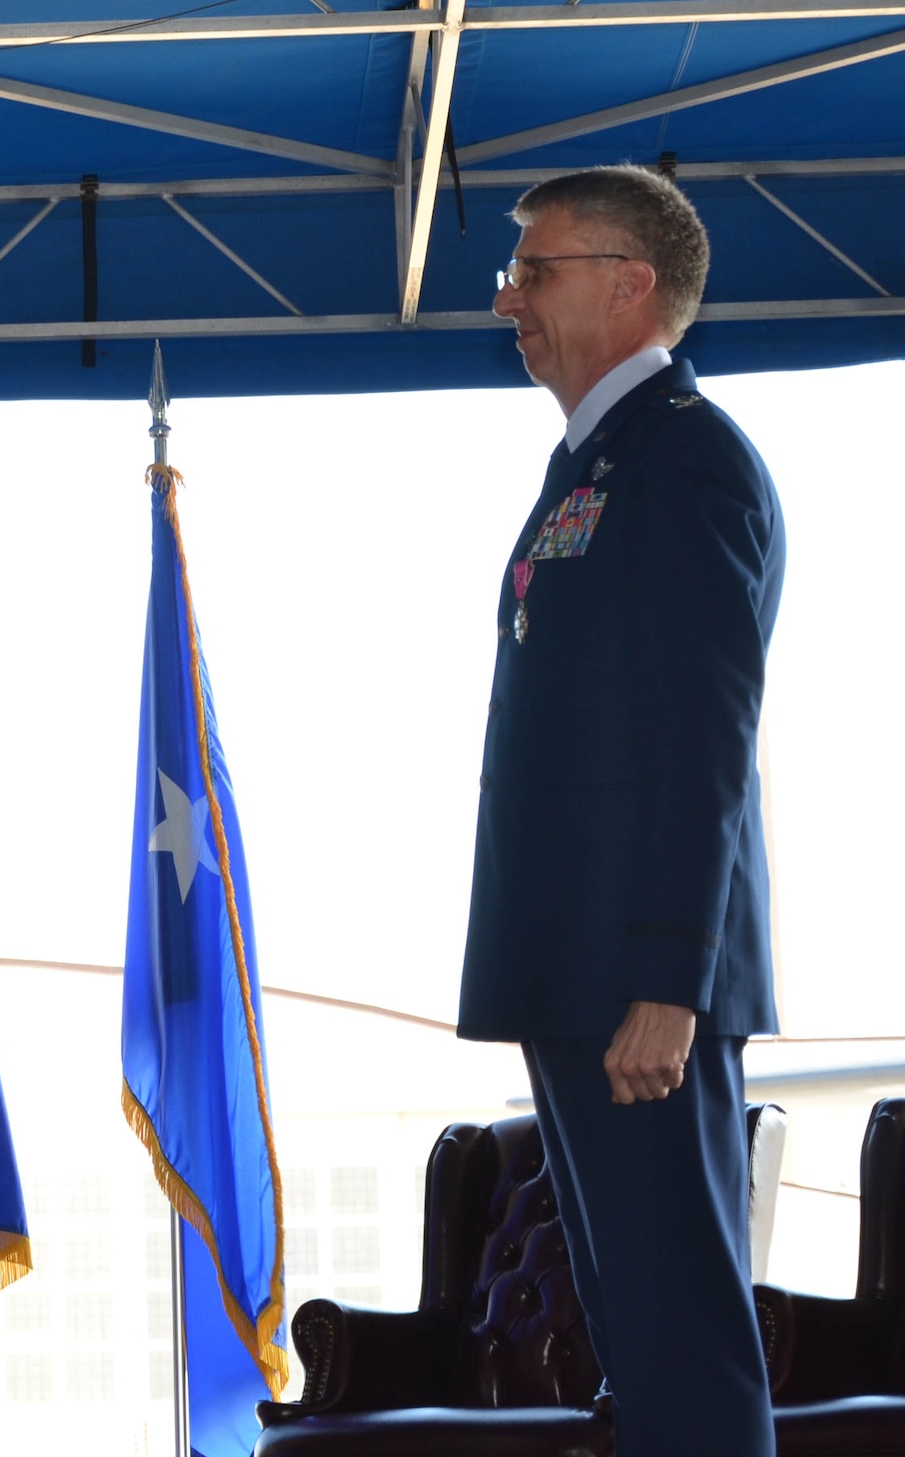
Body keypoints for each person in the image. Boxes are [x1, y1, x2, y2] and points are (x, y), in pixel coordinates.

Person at [458, 166, 783, 1455]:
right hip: (577, 963)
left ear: (628, 283)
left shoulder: (685, 458)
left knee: (679, 1335)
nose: (506, 299)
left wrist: (667, 974)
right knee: (632, 1349)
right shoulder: (594, 460)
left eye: (533, 271)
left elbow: (698, 737)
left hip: (639, 978)